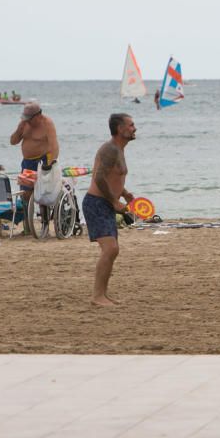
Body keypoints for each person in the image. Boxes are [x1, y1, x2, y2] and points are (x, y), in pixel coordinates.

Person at [82, 113, 137, 307]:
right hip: (97, 203)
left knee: (112, 251)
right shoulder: (109, 150)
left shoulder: (119, 150)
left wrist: (125, 193)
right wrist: (114, 201)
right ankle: (97, 296)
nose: (134, 128)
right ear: (120, 129)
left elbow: (112, 178)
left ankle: (102, 295)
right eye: (130, 125)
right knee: (111, 249)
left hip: (106, 202)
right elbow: (98, 177)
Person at [10, 103, 60, 205]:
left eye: (30, 119)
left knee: (42, 192)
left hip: (43, 160)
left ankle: (44, 216)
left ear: (38, 116)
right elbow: (13, 141)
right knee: (25, 192)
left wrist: (50, 164)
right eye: (26, 118)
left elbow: (54, 146)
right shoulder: (24, 124)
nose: (27, 121)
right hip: (27, 162)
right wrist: (19, 129)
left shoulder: (47, 124)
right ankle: (27, 217)